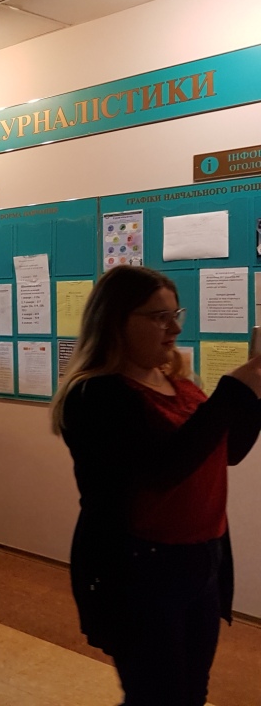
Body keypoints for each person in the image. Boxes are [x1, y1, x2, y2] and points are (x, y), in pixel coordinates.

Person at [49, 265, 261, 706]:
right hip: (142, 568)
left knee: (191, 692)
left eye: (175, 314)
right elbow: (161, 470)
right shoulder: (95, 395)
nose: (175, 328)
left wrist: (253, 395)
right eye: (159, 317)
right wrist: (230, 393)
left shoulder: (176, 381)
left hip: (204, 556)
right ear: (116, 321)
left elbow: (227, 450)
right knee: (156, 696)